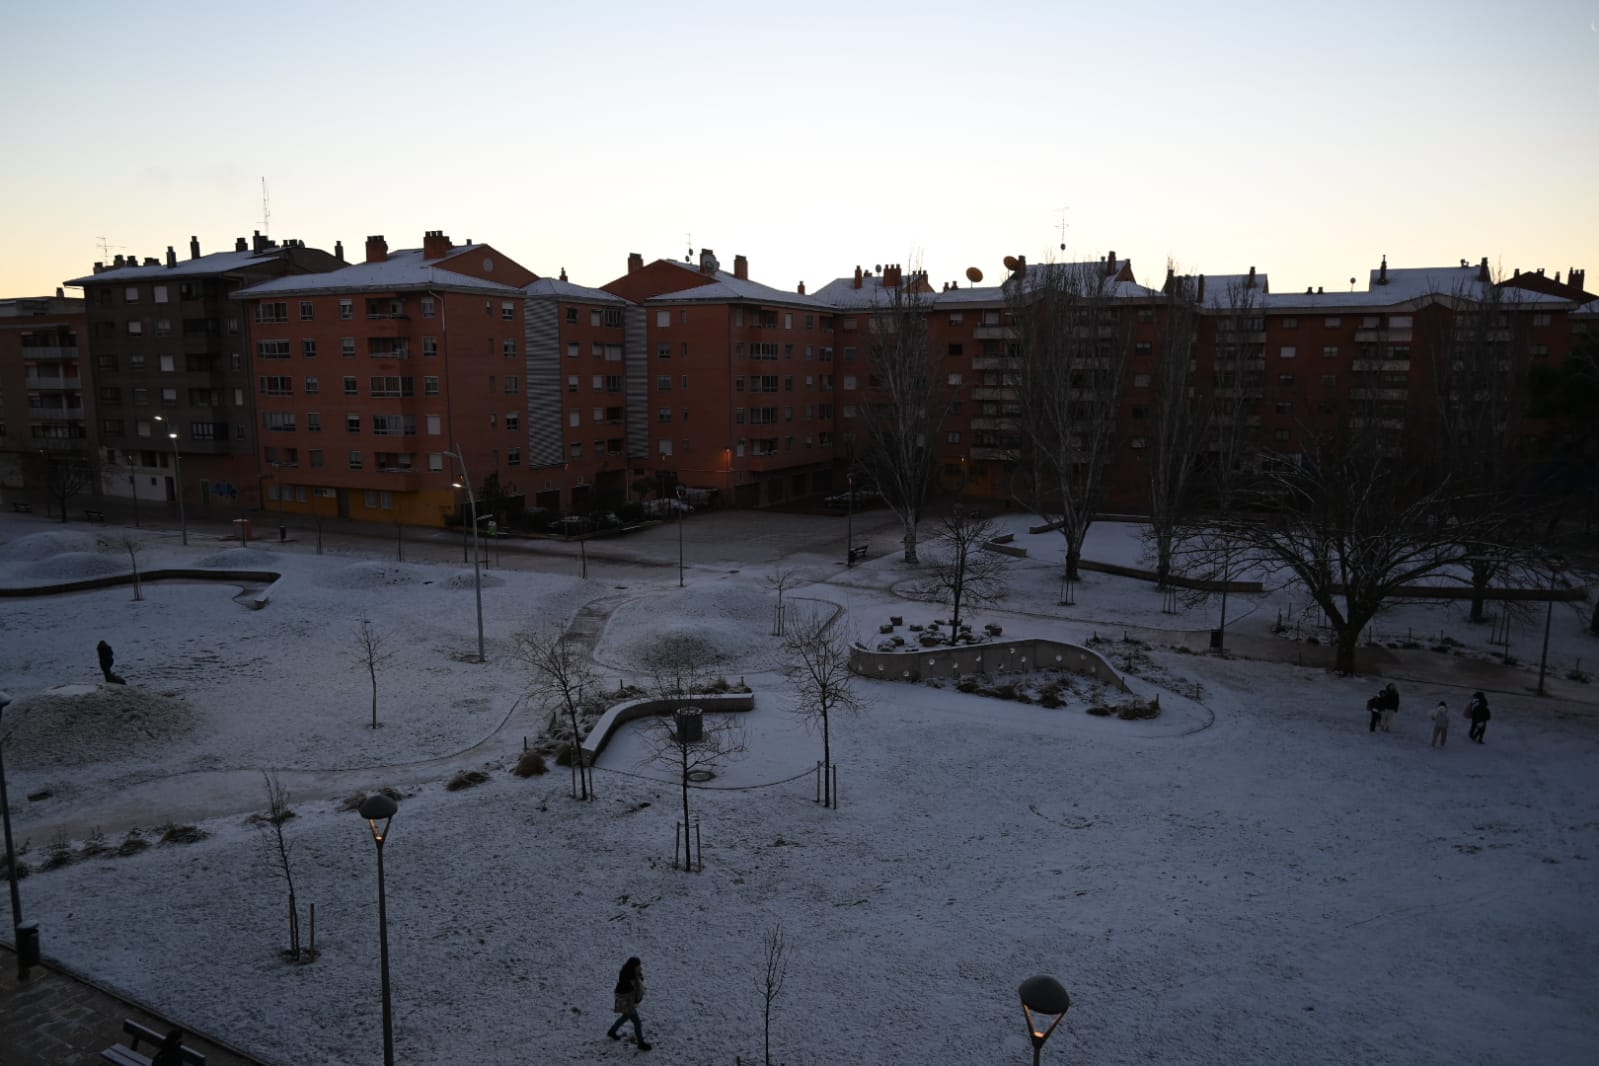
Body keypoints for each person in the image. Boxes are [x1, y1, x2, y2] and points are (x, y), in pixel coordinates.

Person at [606, 956, 650, 1050]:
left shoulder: (631, 974)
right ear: (633, 967)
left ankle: (612, 1031)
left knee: (625, 1017)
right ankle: (641, 1043)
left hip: (628, 1002)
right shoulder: (626, 978)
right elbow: (629, 990)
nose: (640, 968)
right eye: (638, 966)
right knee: (637, 1023)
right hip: (627, 1003)